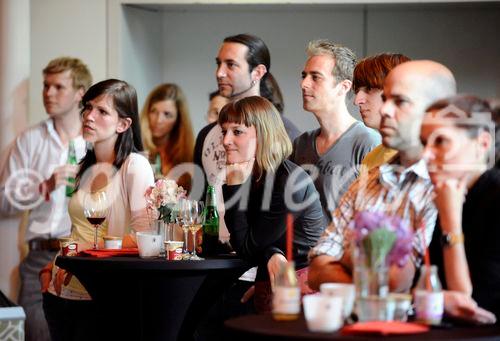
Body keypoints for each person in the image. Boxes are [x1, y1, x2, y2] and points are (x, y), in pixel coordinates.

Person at [308, 60, 457, 292]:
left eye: (400, 102)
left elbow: (398, 280)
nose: (385, 109)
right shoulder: (369, 179)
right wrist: (375, 277)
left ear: (435, 112)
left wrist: (347, 255)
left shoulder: (446, 185)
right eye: (386, 99)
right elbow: (316, 270)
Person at [41, 79, 154, 340]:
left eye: (102, 112)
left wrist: (81, 254)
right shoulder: (86, 165)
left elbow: (145, 239)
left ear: (124, 124)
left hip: (100, 294)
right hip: (60, 292)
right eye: (88, 108)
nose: (89, 116)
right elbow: (78, 230)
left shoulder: (135, 166)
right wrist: (53, 264)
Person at [0, 57, 92, 341]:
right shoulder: (29, 140)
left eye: (58, 87)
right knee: (38, 334)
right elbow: (3, 202)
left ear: (80, 93)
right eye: (45, 86)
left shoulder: (96, 141)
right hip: (39, 256)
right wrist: (43, 187)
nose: (48, 94)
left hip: (86, 257)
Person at [220, 96, 325, 312]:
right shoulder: (256, 175)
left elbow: (246, 248)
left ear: (263, 134)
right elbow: (250, 241)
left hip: (302, 293)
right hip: (271, 283)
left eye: (237, 132)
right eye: (224, 132)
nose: (225, 141)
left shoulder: (289, 182)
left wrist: (233, 187)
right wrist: (270, 253)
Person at [422, 95, 498, 324]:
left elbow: (474, 307)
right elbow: (431, 285)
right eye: (424, 142)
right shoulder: (448, 194)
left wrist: (450, 220)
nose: (426, 155)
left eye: (440, 141)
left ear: (482, 144)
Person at [290, 40, 380, 223]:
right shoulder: (301, 144)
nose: (304, 84)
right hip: (300, 251)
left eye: (316, 77)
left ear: (344, 87)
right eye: (304, 75)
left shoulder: (367, 142)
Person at [353, 53, 411, 170]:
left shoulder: (427, 158)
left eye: (369, 89)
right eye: (358, 91)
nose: (357, 101)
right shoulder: (371, 157)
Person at [140, 83, 194, 189]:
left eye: (167, 114)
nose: (158, 120)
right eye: (154, 111)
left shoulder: (188, 154)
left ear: (179, 120)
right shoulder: (137, 147)